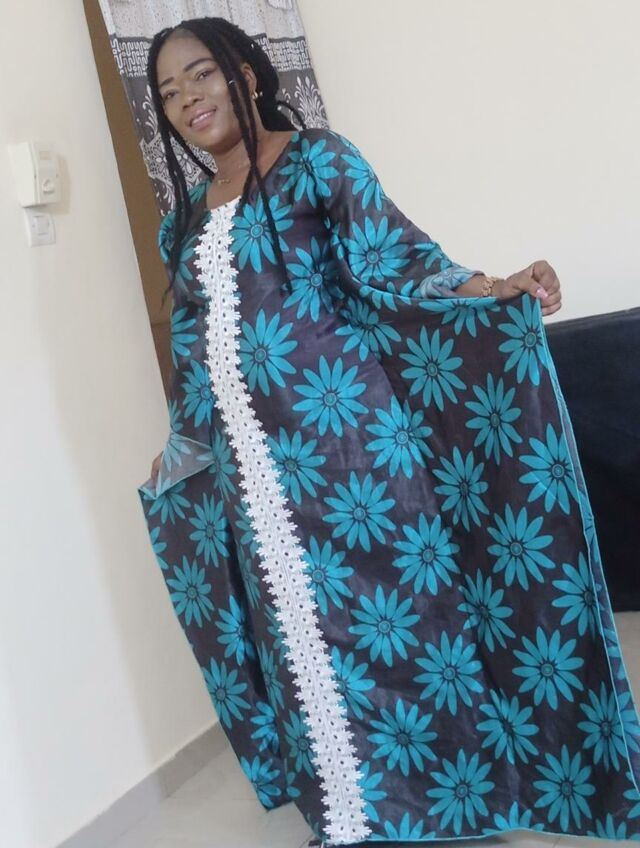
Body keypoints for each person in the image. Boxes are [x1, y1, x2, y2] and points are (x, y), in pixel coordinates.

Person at [138, 16, 640, 848]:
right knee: (299, 638)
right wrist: (184, 453)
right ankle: (350, 816)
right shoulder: (182, 223)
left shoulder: (319, 161)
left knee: (396, 624)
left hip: (349, 450)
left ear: (245, 74)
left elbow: (398, 262)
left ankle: (450, 808)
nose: (188, 98)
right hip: (249, 474)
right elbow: (195, 354)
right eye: (168, 91)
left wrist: (494, 286)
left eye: (201, 74)